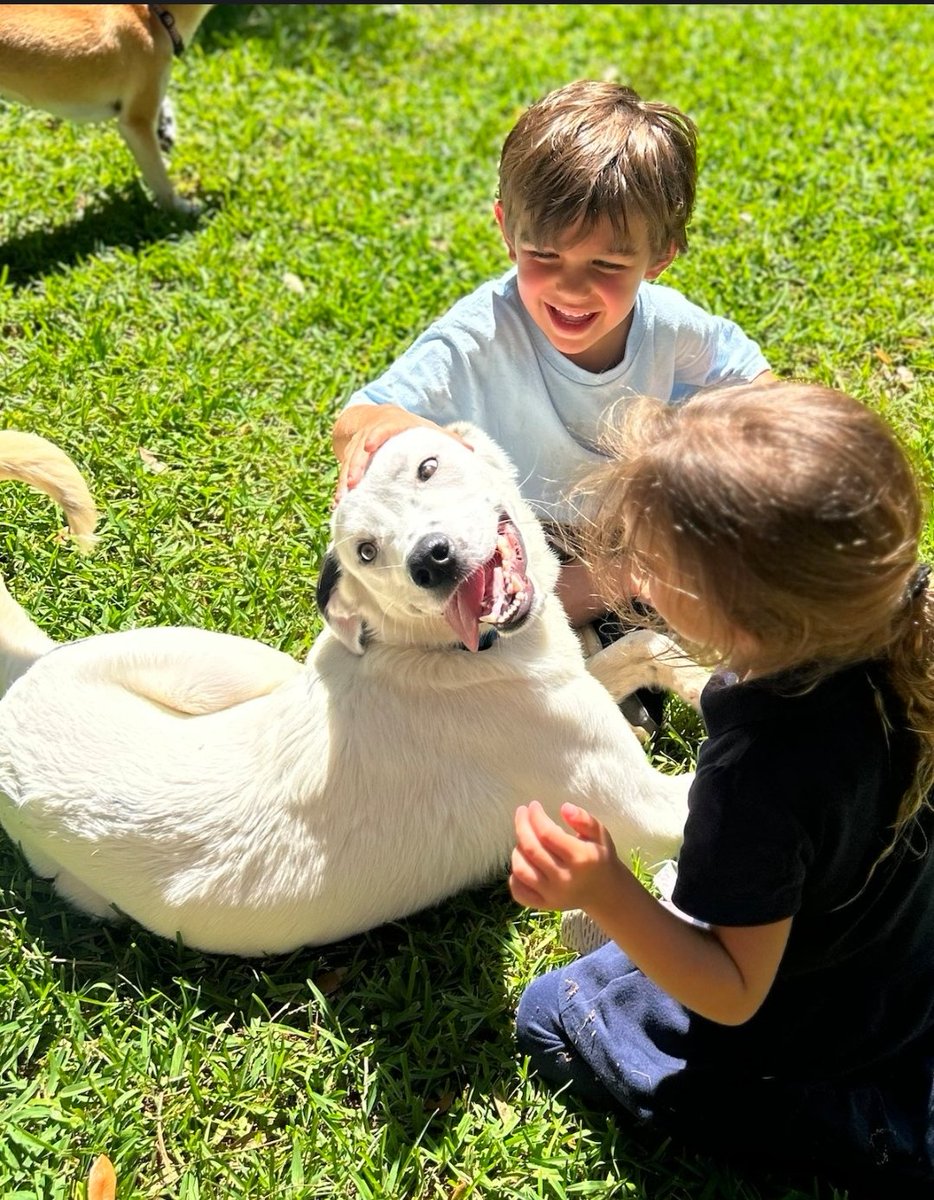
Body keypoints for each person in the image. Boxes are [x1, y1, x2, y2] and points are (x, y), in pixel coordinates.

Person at [509, 379, 934, 1196]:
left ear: (738, 610)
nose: (629, 570)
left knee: (554, 1013)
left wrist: (603, 889)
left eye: (650, 562)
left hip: (816, 1027)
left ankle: (872, 1124)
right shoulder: (896, 627)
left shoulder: (759, 777)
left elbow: (735, 994)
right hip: (900, 959)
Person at [331, 79, 776, 655]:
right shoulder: (480, 337)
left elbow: (753, 382)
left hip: (633, 515)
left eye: (608, 263)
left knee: (754, 548)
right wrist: (378, 427)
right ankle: (620, 598)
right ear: (508, 234)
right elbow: (358, 417)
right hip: (530, 532)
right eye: (545, 255)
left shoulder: (669, 326)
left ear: (659, 256)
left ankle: (621, 612)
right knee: (435, 615)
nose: (571, 285)